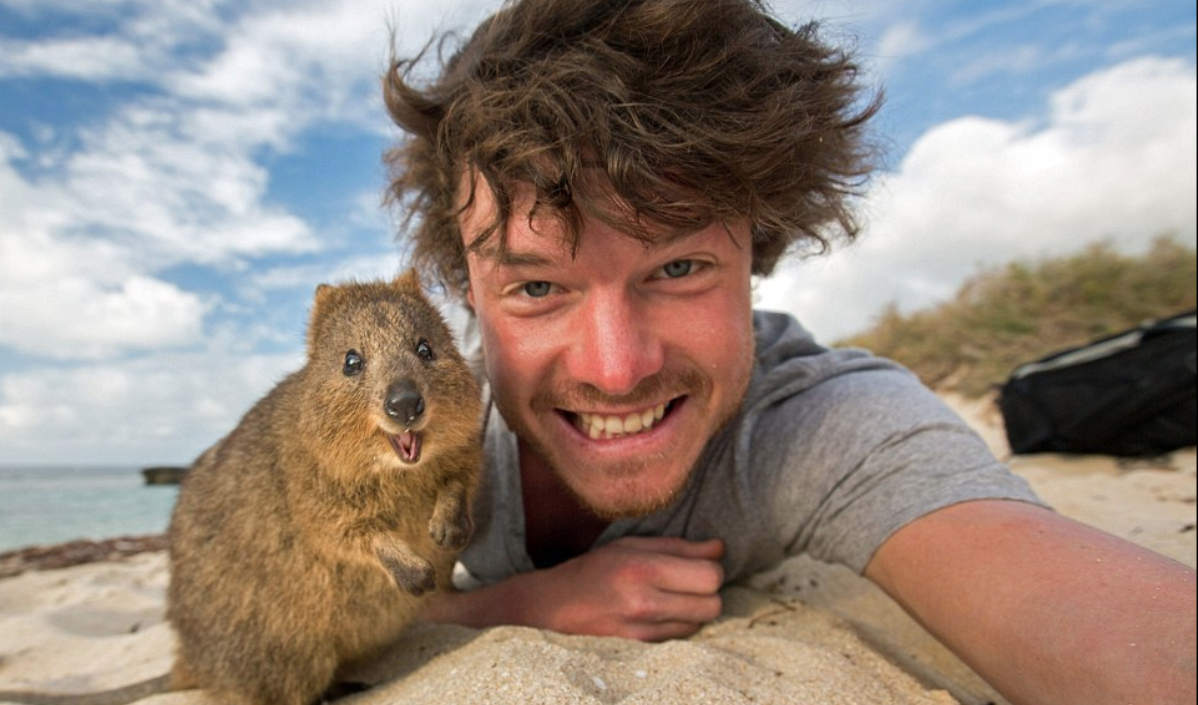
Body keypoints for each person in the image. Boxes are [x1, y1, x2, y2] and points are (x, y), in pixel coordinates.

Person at [381, 1, 1197, 703]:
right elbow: (262, 599)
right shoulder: (409, 432)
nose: (615, 368)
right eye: (536, 289)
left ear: (757, 251)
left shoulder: (817, 421)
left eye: (678, 267)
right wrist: (520, 604)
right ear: (469, 297)